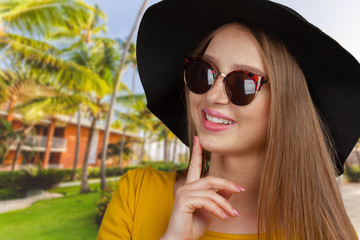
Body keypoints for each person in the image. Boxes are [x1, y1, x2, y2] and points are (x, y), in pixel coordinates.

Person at [97, 0, 360, 239]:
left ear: (286, 104)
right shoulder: (138, 193)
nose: (213, 96)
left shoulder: (323, 229)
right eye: (203, 72)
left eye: (243, 83)